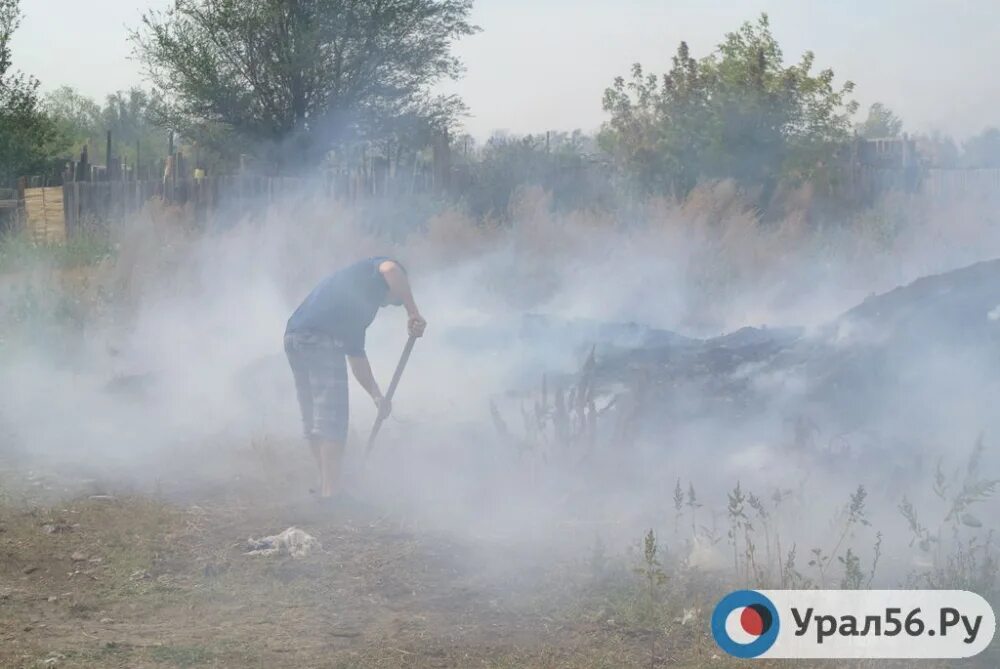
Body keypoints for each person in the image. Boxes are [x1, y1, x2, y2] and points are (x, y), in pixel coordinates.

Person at [284, 257, 426, 499]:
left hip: (294, 337)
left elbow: (356, 358)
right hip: (320, 338)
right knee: (332, 418)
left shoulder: (358, 308)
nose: (388, 306)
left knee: (313, 416)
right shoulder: (379, 270)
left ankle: (324, 485)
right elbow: (392, 269)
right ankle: (332, 494)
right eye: (395, 301)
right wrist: (412, 312)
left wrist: (377, 397)